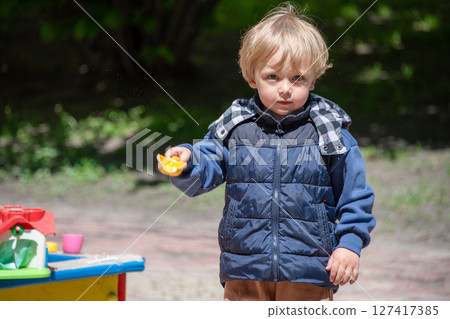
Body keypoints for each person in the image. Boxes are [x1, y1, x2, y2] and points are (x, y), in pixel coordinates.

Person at [163, 2, 375, 301]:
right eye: (273, 77)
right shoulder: (236, 126)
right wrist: (188, 162)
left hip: (310, 271)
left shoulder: (331, 134)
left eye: (297, 78)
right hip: (244, 268)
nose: (285, 88)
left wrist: (349, 244)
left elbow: (356, 197)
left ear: (313, 79)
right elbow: (206, 166)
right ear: (252, 78)